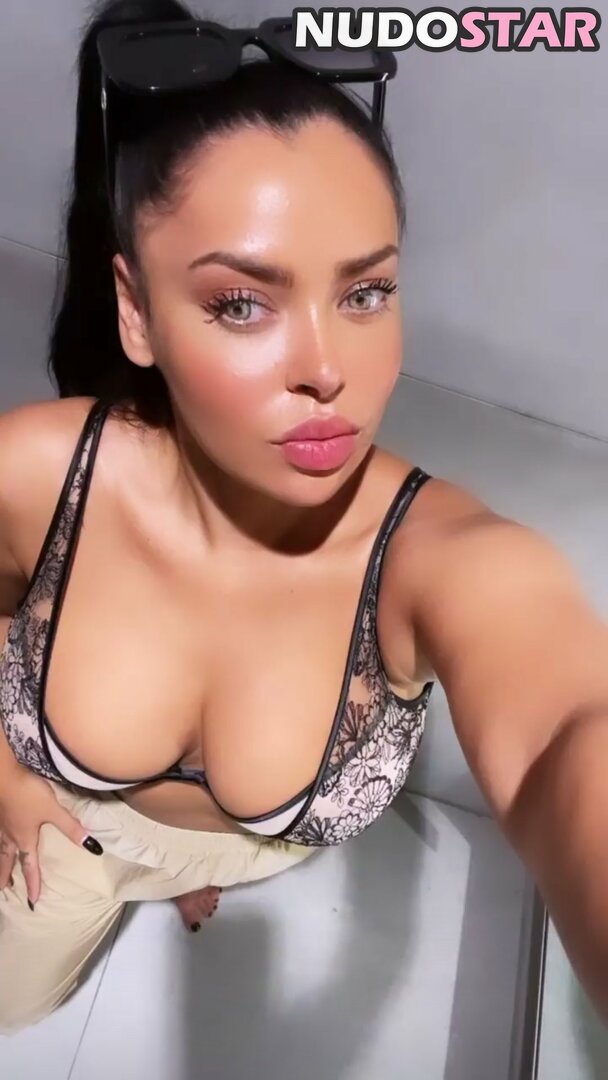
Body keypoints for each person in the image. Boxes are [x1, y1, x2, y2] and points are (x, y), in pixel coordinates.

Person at [1, 0, 608, 1038]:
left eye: (364, 293)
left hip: (243, 853)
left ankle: (188, 875)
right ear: (137, 311)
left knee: (206, 865)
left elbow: (567, 733)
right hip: (59, 833)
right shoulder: (34, 473)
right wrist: (8, 777)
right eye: (242, 303)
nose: (328, 369)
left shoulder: (440, 562)